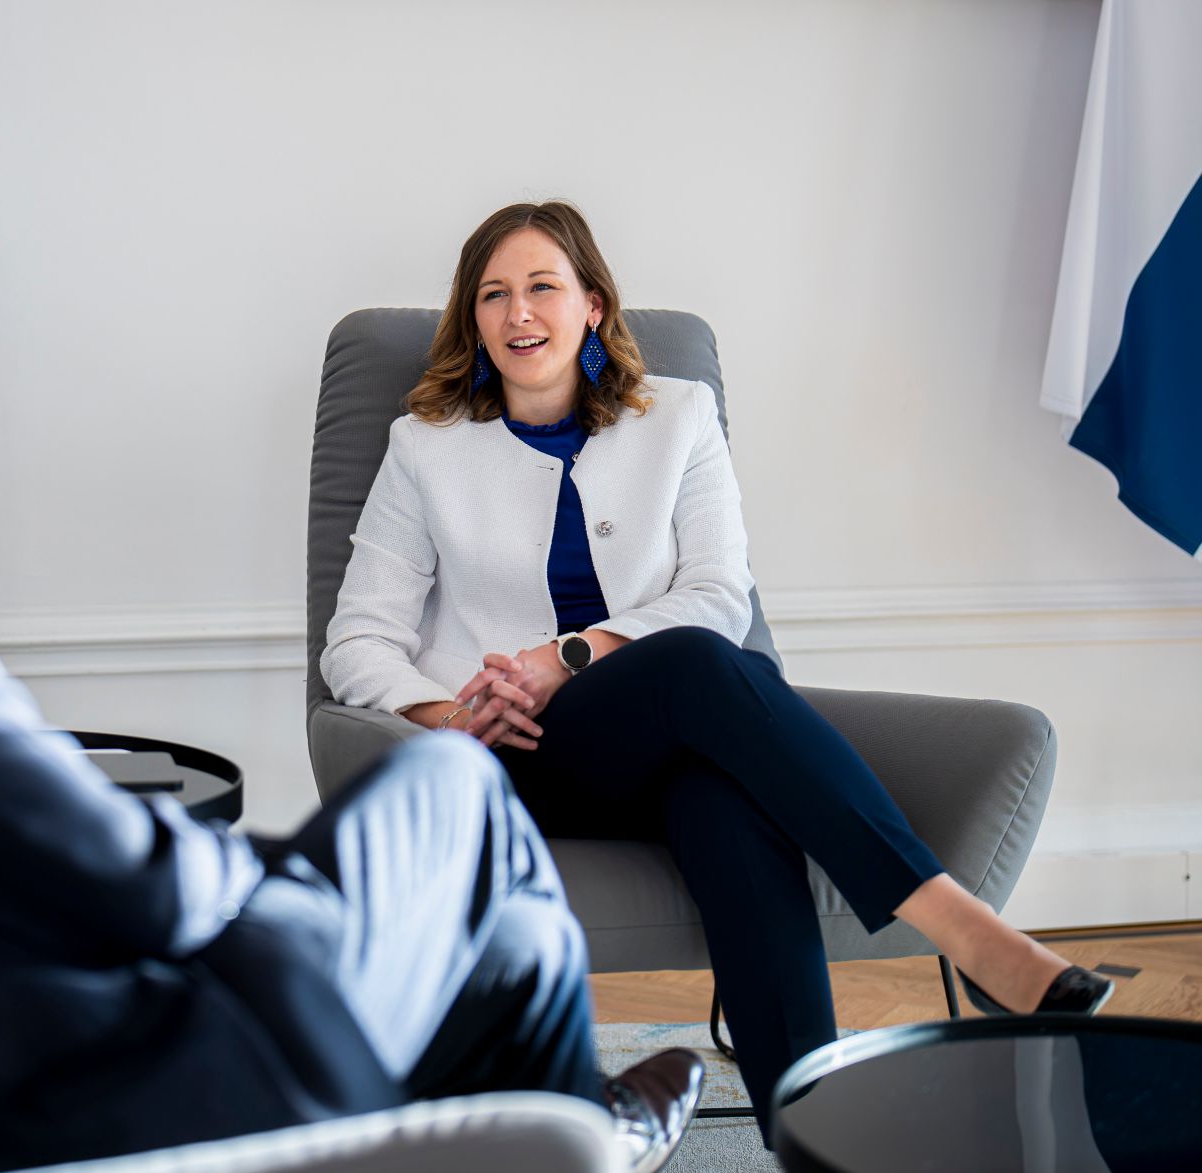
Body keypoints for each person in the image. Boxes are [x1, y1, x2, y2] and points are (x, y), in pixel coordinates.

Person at [0, 209, 705, 1173]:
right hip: (88, 1083)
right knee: (455, 792)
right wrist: (295, 884)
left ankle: (564, 1132)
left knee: (506, 929)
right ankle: (571, 1131)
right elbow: (137, 891)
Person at [320, 200, 1115, 1140]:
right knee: (695, 665)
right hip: (519, 759)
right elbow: (354, 643)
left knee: (729, 806)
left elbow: (718, 595)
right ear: (473, 319)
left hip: (664, 747)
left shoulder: (681, 417)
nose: (517, 311)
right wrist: (453, 715)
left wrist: (566, 655)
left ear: (593, 306)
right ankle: (961, 924)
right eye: (492, 294)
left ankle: (816, 1138)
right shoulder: (427, 446)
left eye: (542, 286)